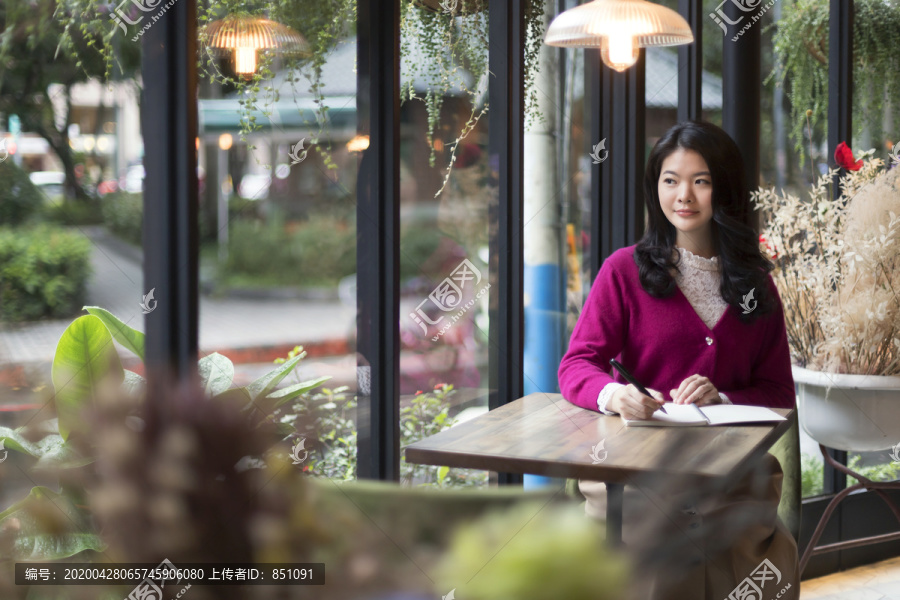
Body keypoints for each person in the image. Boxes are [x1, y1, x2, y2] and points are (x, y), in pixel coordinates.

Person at [558, 120, 799, 600]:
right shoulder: (623, 271)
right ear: (657, 189)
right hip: (637, 469)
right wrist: (615, 393)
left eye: (700, 181)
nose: (683, 195)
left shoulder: (755, 285)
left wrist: (725, 395)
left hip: (731, 470)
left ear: (723, 188)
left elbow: (778, 392)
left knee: (749, 555)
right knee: (667, 553)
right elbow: (577, 364)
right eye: (670, 180)